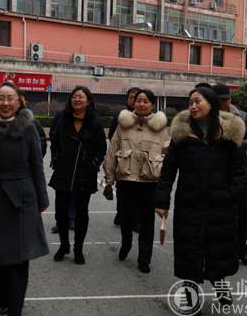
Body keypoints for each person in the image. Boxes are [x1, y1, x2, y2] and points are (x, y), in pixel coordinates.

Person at [155, 87, 246, 316]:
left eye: (198, 101)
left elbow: (239, 172)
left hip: (220, 205)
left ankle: (220, 284)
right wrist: (162, 200)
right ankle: (192, 307)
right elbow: (168, 169)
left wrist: (231, 195)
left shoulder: (229, 135)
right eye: (190, 102)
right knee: (189, 255)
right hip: (189, 204)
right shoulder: (182, 134)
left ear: (211, 103)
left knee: (217, 251)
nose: (193, 106)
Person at [0, 82, 49, 316]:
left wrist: (42, 199)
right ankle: (4, 300)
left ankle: (15, 314)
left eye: (10, 98)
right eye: (1, 98)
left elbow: (37, 166)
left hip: (24, 198)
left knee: (20, 258)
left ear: (19, 102)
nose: (6, 103)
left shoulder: (29, 128)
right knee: (0, 256)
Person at [103, 89, 169, 273]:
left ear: (152, 105)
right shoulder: (123, 125)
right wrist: (109, 180)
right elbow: (112, 152)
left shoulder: (160, 127)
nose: (141, 104)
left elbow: (167, 153)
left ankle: (144, 259)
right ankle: (126, 244)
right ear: (133, 103)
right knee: (126, 217)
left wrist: (162, 174)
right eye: (139, 100)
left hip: (150, 182)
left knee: (147, 221)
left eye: (146, 101)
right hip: (126, 179)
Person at [49, 86, 107, 265]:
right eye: (74, 96)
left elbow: (101, 147)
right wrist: (56, 159)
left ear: (88, 101)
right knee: (61, 212)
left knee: (82, 214)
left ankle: (78, 249)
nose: (77, 99)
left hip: (84, 174)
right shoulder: (63, 118)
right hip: (64, 171)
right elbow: (55, 140)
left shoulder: (94, 121)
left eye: (81, 97)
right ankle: (64, 245)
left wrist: (93, 165)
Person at [212, 83, 247, 267]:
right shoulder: (208, 117)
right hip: (216, 173)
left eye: (226, 100)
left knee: (245, 212)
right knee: (220, 214)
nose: (224, 104)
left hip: (240, 172)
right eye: (220, 101)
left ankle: (242, 250)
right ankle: (220, 250)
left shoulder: (242, 116)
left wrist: (236, 144)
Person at [108, 87, 141, 228]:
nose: (134, 101)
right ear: (127, 100)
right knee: (122, 190)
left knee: (139, 192)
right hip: (123, 158)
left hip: (141, 161)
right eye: (131, 98)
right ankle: (121, 213)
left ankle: (137, 220)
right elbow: (112, 135)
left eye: (137, 98)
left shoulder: (148, 117)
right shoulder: (120, 116)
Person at [19, 91, 47, 157]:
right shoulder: (3, 121)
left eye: (21, 101)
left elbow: (42, 144)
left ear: (26, 103)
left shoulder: (33, 123)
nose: (18, 104)